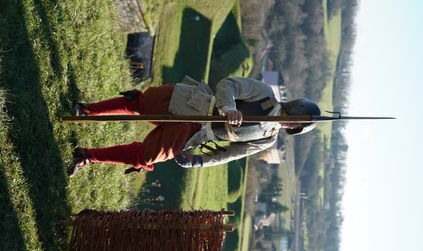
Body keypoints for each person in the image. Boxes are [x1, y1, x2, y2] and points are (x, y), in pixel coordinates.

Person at [68, 76, 320, 176]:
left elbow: (231, 153)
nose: (292, 124)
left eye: (296, 126)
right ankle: (86, 110)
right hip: (195, 103)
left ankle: (87, 156)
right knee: (141, 103)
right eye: (297, 119)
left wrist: (200, 161)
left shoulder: (267, 139)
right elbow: (228, 85)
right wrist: (229, 107)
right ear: (295, 108)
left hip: (195, 133)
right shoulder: (264, 93)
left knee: (145, 156)